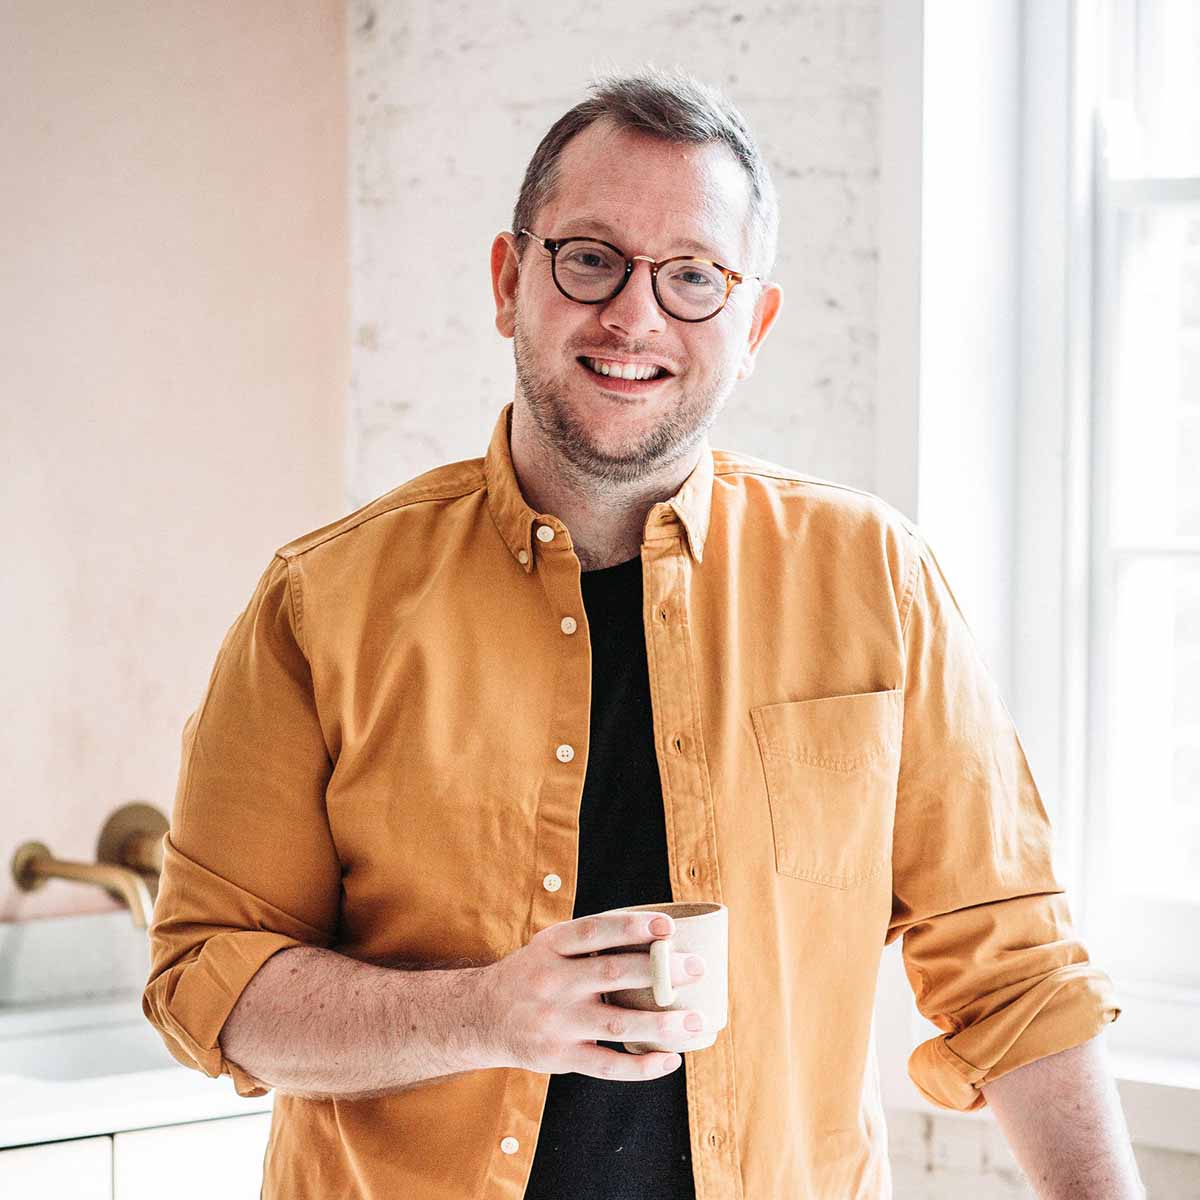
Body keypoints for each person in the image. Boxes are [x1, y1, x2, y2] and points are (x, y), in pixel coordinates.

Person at [143, 66, 1140, 1200]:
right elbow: (208, 982)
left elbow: (1014, 975)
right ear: (510, 278)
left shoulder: (876, 584)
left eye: (694, 277)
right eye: (590, 259)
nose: (634, 316)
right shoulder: (322, 604)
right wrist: (485, 1014)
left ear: (753, 320)